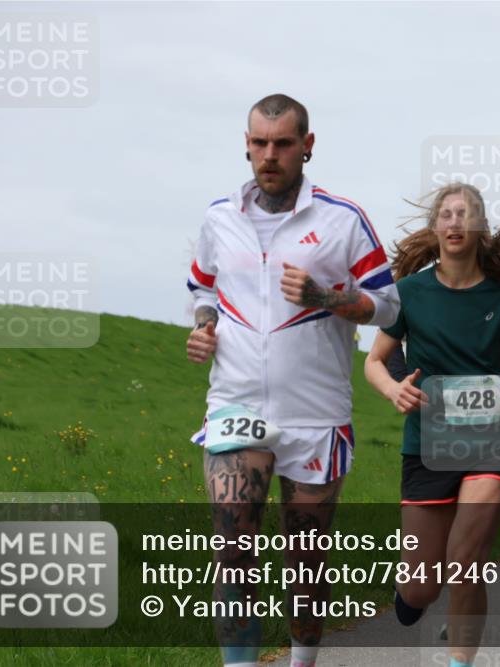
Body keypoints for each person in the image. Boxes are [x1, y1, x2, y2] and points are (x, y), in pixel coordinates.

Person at [186, 94, 400, 667]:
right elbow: (202, 289)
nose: (269, 155)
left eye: (283, 143)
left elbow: (389, 307)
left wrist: (325, 296)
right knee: (233, 551)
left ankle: (303, 660)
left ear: (307, 145)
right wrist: (205, 327)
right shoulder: (219, 217)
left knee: (306, 566)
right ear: (247, 145)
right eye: (259, 143)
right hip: (235, 407)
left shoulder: (342, 219)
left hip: (315, 415)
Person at [364, 182, 500, 667]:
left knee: (466, 563)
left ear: (480, 227)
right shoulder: (409, 292)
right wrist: (393, 389)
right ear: (435, 226)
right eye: (445, 214)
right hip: (427, 443)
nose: (453, 222)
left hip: (491, 440)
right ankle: (411, 594)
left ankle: (459, 662)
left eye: (464, 214)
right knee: (422, 587)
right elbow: (375, 362)